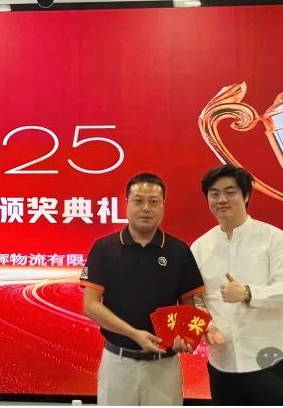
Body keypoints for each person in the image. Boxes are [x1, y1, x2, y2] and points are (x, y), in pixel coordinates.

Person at [80, 172, 206, 406]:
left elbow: (189, 308)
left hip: (164, 366)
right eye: (138, 201)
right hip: (118, 364)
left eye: (154, 201)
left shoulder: (178, 251)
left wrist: (186, 337)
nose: (146, 208)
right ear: (127, 204)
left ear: (163, 205)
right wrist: (134, 334)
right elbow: (90, 306)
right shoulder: (105, 248)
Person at [190, 164, 283, 405]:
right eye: (214, 194)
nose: (221, 200)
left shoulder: (274, 238)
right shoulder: (199, 247)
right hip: (223, 363)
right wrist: (206, 326)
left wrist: (248, 293)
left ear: (246, 195)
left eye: (230, 192)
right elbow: (197, 299)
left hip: (271, 359)